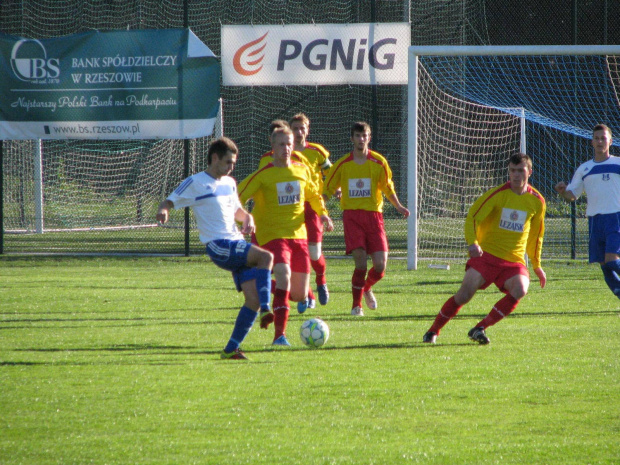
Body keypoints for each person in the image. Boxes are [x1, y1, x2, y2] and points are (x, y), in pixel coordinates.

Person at [156, 137, 274, 360]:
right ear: (214, 158)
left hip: (236, 242)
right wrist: (164, 211)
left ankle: (231, 349)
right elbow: (169, 201)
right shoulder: (196, 182)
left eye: (234, 163)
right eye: (228, 162)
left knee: (252, 301)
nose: (231, 167)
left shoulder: (229, 183)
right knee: (266, 257)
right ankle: (268, 308)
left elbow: (237, 211)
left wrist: (248, 217)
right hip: (218, 245)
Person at [423, 153, 547, 345]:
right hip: (486, 255)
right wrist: (473, 242)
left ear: (529, 172)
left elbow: (536, 235)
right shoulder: (497, 195)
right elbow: (473, 217)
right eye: (512, 171)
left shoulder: (537, 201)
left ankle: (480, 328)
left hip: (513, 261)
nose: (516, 175)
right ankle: (433, 331)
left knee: (521, 288)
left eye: (520, 170)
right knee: (464, 295)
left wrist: (537, 265)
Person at [239, 126, 334, 346]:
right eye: (281, 144)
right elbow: (237, 198)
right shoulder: (264, 174)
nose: (287, 148)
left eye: (289, 143)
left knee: (299, 295)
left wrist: (324, 215)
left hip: (298, 236)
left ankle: (257, 282)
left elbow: (313, 194)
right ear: (272, 148)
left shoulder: (301, 170)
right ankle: (279, 336)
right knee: (283, 273)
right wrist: (244, 220)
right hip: (272, 234)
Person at [323, 121, 410, 316]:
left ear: (369, 138)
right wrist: (319, 209)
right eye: (357, 136)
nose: (361, 139)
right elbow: (327, 189)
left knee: (380, 267)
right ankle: (356, 306)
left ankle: (366, 287)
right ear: (352, 138)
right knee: (361, 263)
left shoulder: (379, 162)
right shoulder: (343, 164)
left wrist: (399, 206)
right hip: (352, 217)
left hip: (374, 218)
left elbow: (388, 188)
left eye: (364, 136)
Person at [554, 124, 620, 299]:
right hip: (595, 220)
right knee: (604, 265)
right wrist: (562, 192)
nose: (600, 141)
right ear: (592, 142)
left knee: (612, 260)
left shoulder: (618, 163)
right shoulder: (584, 168)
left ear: (610, 141)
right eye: (597, 138)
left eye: (603, 138)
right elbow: (572, 195)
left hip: (616, 217)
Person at [290, 113, 333, 308]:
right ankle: (307, 295)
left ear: (308, 130)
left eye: (302, 128)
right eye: (295, 128)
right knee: (298, 252)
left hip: (314, 206)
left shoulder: (317, 151)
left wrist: (334, 189)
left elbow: (330, 173)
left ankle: (321, 281)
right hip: (291, 207)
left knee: (314, 253)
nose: (299, 132)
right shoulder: (284, 152)